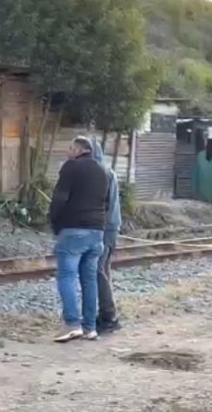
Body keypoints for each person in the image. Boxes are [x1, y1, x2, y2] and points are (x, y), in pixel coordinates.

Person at [49, 136, 108, 343]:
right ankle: (90, 327)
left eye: (70, 147)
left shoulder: (71, 167)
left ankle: (72, 324)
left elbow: (59, 198)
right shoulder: (102, 171)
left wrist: (54, 222)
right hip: (97, 232)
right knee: (89, 279)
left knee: (66, 276)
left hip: (74, 229)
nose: (67, 151)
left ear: (78, 149)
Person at [90, 137, 122, 334]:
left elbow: (105, 205)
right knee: (103, 270)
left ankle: (109, 317)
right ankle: (107, 314)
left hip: (105, 228)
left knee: (97, 270)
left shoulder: (103, 174)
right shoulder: (104, 172)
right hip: (110, 227)